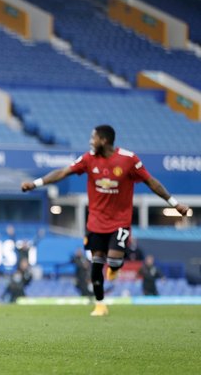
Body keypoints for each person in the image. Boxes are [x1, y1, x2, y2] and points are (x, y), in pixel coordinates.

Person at [21, 124, 189, 316]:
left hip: (120, 221)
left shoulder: (128, 159)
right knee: (97, 262)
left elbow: (151, 182)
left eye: (93, 138)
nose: (90, 141)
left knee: (114, 260)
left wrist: (174, 203)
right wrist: (35, 184)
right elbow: (62, 172)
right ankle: (100, 304)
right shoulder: (88, 159)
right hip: (95, 222)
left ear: (104, 140)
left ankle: (115, 268)